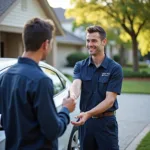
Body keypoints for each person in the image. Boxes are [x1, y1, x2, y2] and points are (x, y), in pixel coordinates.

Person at [0, 18, 76, 150]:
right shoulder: (41, 80)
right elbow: (53, 131)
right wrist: (65, 109)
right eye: (51, 43)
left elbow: (4, 120)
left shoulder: (6, 76)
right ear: (45, 44)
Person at [69, 25, 123, 150]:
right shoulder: (80, 66)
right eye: (88, 40)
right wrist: (73, 96)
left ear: (104, 42)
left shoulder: (114, 68)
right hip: (86, 124)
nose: (89, 44)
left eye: (94, 41)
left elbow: (110, 100)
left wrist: (88, 113)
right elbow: (76, 84)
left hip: (106, 124)